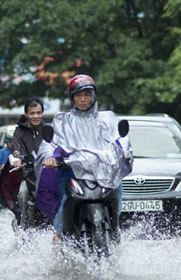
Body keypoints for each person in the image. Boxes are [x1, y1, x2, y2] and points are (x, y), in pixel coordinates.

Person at [43, 74, 133, 241]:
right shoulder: (62, 121)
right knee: (64, 202)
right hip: (73, 171)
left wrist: (124, 152)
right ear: (72, 98)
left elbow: (121, 138)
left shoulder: (108, 119)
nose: (83, 99)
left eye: (87, 95)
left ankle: (115, 229)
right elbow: (51, 144)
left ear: (93, 96)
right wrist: (51, 157)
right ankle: (58, 240)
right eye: (78, 95)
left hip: (104, 173)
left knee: (118, 186)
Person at [9, 98, 46, 227]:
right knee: (23, 194)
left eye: (39, 112)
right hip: (29, 175)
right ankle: (23, 227)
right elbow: (16, 149)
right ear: (26, 114)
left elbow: (55, 147)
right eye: (32, 113)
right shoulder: (19, 131)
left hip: (47, 175)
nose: (36, 116)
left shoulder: (48, 129)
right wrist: (17, 159)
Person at [0, 136, 13, 206]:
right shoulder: (2, 152)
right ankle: (0, 202)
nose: (11, 144)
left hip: (14, 172)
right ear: (6, 143)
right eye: (9, 142)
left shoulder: (17, 151)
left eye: (13, 142)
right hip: (3, 173)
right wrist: (1, 166)